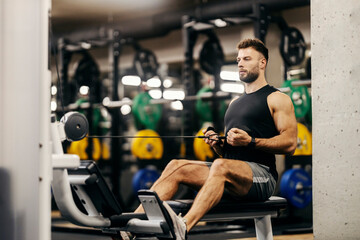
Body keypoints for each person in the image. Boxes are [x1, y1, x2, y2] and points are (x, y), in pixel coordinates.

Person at [134, 38, 298, 240]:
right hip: (231, 174)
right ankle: (132, 225)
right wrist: (218, 145)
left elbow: (290, 144)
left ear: (262, 63)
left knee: (220, 166)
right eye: (238, 59)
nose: (240, 63)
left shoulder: (276, 98)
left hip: (262, 177)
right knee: (176, 165)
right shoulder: (235, 103)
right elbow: (229, 154)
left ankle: (183, 226)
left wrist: (251, 141)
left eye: (247, 59)